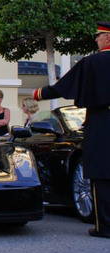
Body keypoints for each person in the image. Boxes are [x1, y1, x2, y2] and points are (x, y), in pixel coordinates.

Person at [33, 21, 110, 239]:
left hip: (101, 122)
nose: (96, 39)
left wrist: (39, 93)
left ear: (108, 39)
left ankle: (105, 226)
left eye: (99, 36)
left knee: (101, 175)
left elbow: (63, 87)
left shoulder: (92, 62)